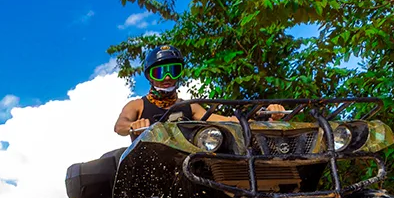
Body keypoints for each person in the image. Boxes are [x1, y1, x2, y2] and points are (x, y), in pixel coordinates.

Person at [114, 44, 286, 137]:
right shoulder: (137, 105)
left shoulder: (190, 106)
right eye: (159, 72)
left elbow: (226, 121)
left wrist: (265, 115)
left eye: (173, 71)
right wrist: (132, 126)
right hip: (149, 167)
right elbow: (119, 126)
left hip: (188, 164)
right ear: (150, 77)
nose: (167, 77)